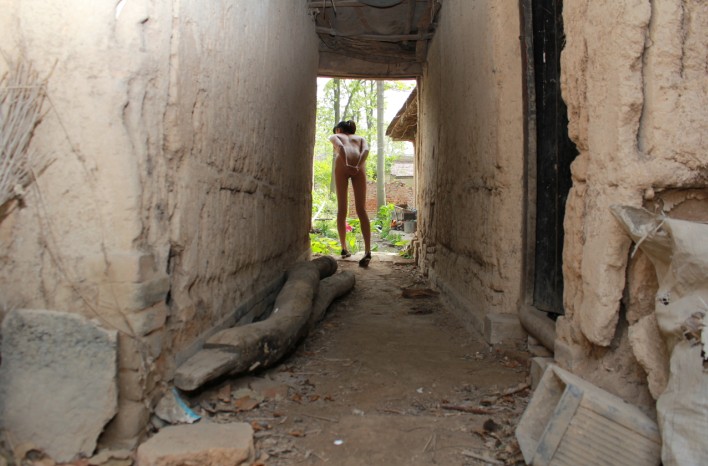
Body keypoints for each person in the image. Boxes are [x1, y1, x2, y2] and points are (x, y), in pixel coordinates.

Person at [329, 120, 372, 267]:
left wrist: (346, 163)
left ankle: (344, 248)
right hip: (359, 165)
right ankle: (367, 251)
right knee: (362, 209)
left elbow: (340, 147)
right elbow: (365, 151)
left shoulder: (335, 136)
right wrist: (357, 166)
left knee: (342, 209)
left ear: (339, 130)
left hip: (342, 164)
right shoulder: (360, 138)